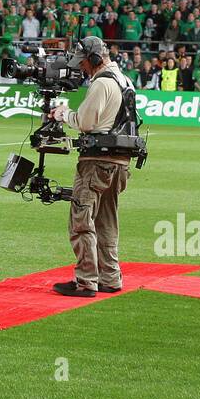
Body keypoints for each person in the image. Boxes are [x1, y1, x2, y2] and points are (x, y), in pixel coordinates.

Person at [47, 37, 136, 297]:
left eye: (84, 62)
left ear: (95, 59)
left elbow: (86, 122)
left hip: (97, 162)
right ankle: (111, 277)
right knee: (107, 222)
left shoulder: (102, 83)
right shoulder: (125, 80)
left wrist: (64, 113)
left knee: (81, 221)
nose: (82, 68)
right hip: (121, 163)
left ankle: (86, 280)